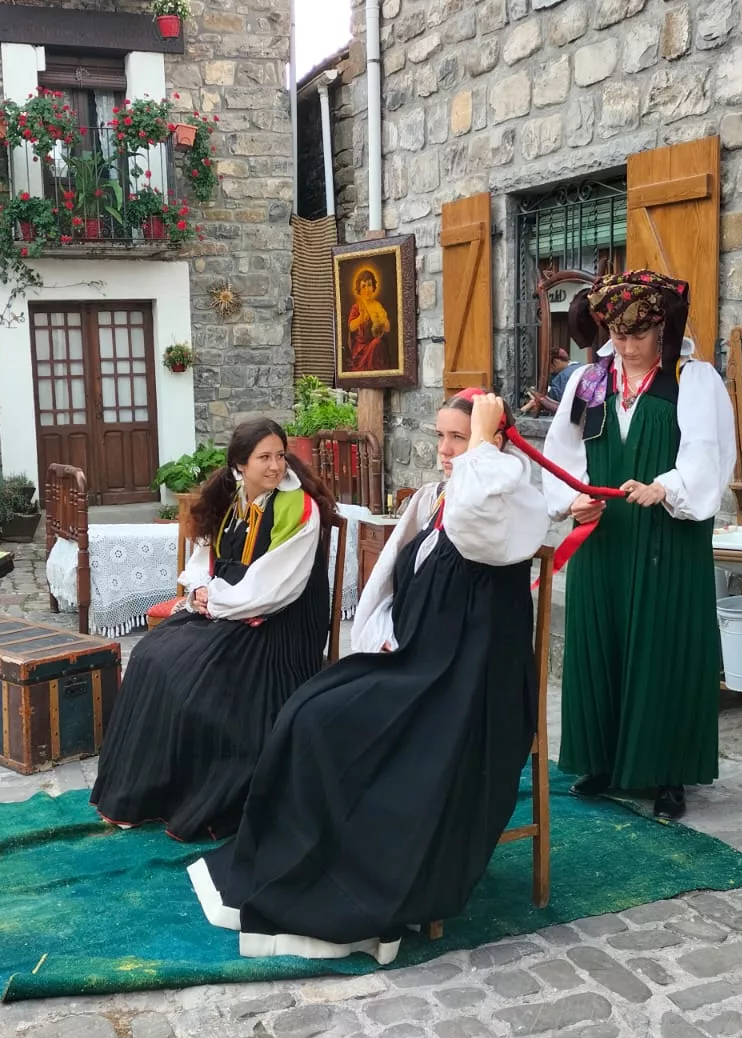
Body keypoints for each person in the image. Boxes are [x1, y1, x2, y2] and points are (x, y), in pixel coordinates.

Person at [189, 391, 550, 963]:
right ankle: (297, 864)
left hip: (467, 687)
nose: (446, 450)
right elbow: (387, 582)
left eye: (459, 437)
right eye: (441, 436)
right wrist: (380, 639)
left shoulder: (501, 499)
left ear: (494, 443)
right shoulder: (436, 498)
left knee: (334, 727)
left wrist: (486, 439)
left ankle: (349, 881)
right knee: (308, 711)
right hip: (414, 662)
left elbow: (476, 512)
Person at [542, 270, 735, 820]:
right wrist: (572, 499)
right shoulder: (589, 382)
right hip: (604, 538)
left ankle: (667, 772)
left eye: (640, 334)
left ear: (663, 329)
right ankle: (600, 761)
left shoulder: (693, 381)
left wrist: (665, 487)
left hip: (666, 536)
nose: (628, 346)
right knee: (600, 641)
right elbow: (563, 451)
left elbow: (709, 454)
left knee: (663, 645)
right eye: (619, 335)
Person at [90, 418, 336, 840]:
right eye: (265, 458)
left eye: (280, 455)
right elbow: (204, 559)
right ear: (240, 465)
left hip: (279, 624)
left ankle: (194, 796)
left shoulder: (299, 508)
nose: (276, 466)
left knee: (192, 676)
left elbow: (276, 587)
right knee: (152, 655)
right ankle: (146, 796)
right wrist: (201, 590)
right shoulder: (233, 497)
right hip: (229, 607)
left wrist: (216, 601)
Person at [347, 267, 391, 372]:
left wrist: (382, 320)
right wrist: (361, 317)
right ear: (359, 289)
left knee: (378, 343)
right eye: (363, 286)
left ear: (373, 287)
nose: (367, 289)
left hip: (376, 345)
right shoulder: (357, 307)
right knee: (377, 343)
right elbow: (351, 327)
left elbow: (387, 328)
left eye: (369, 285)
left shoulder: (377, 306)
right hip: (361, 350)